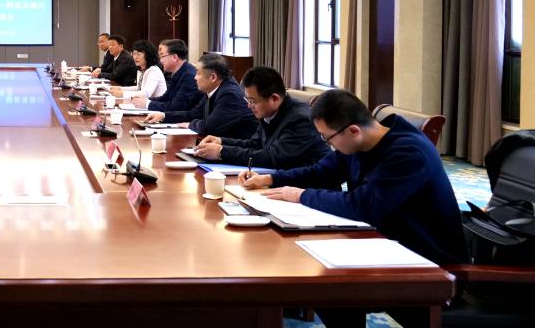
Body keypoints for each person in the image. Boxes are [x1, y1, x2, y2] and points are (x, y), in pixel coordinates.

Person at [240, 88, 467, 266]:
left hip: (426, 260)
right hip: (382, 241)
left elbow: (363, 206)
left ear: (353, 131)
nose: (328, 145)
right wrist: (270, 179)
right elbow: (320, 172)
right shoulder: (359, 143)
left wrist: (302, 196)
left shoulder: (408, 153)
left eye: (327, 138)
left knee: (314, 273)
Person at [186, 66, 330, 169]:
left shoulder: (300, 119)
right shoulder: (267, 111)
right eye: (247, 100)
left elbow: (273, 157)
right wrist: (221, 141)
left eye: (252, 101)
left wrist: (222, 152)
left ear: (274, 98)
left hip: (309, 188)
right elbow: (255, 143)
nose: (249, 106)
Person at [145, 53, 256, 138]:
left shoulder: (229, 94)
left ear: (213, 77)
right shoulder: (212, 88)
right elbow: (194, 114)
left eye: (198, 73)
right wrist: (163, 116)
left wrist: (190, 125)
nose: (195, 77)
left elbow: (209, 127)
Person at [132, 39, 202, 112]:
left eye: (162, 56)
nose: (160, 60)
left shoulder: (189, 76)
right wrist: (144, 100)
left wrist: (148, 104)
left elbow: (177, 107)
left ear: (174, 57)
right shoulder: (179, 72)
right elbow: (166, 98)